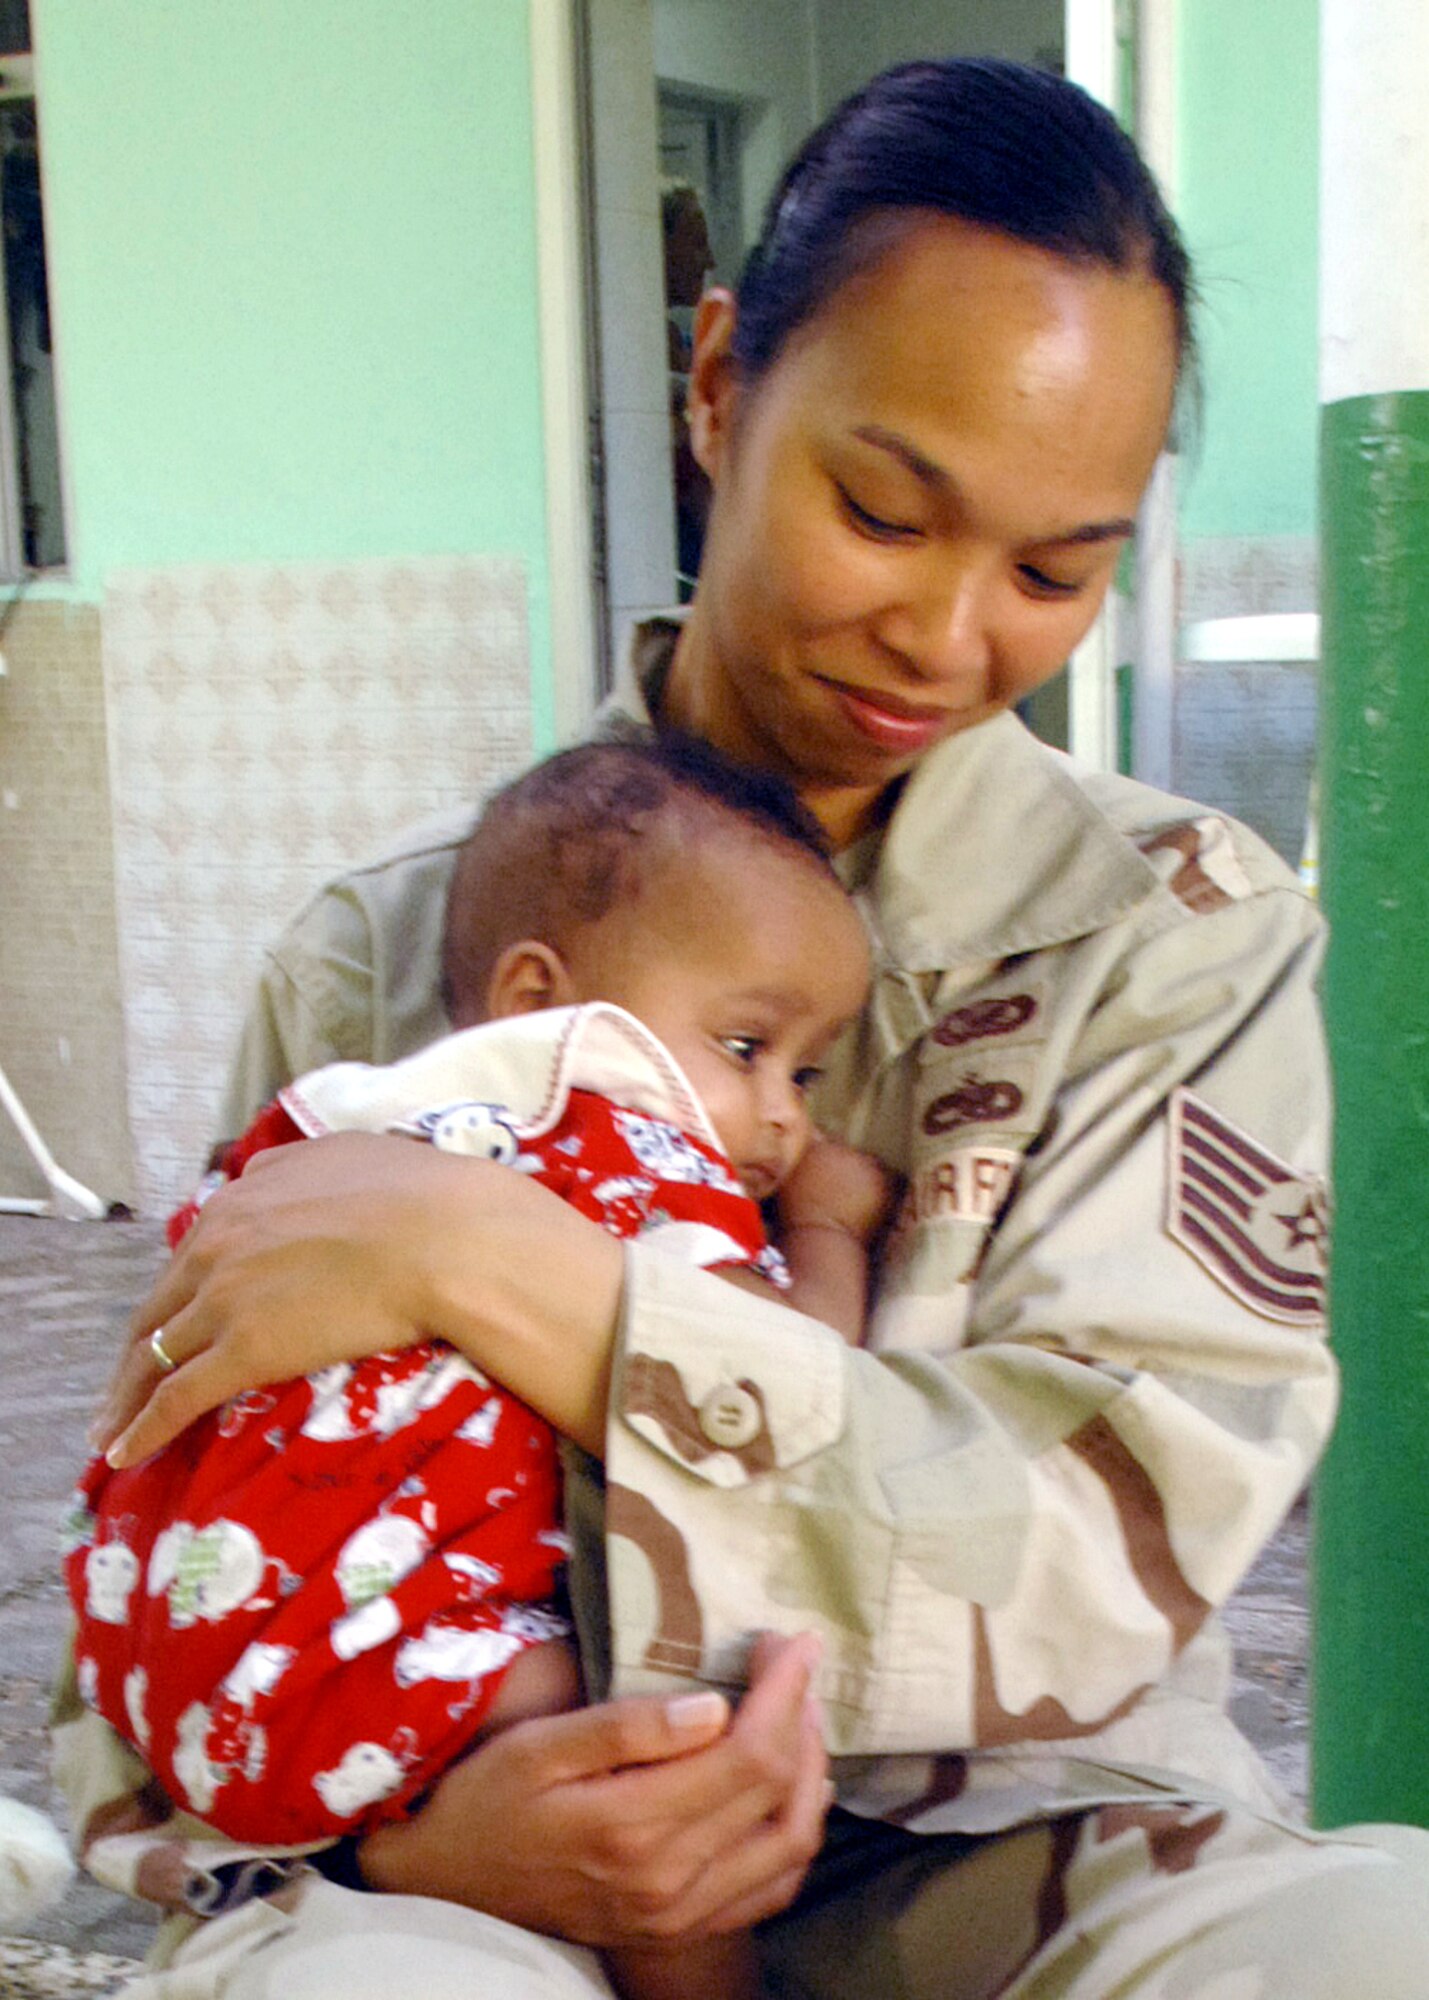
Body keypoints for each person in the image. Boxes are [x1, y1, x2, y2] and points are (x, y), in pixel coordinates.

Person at [70, 55, 1429, 2000]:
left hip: (1031, 1836)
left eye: (1058, 569)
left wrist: (513, 1273)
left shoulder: (1171, 938)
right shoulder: (379, 964)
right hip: (483, 1847)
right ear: (718, 390)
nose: (952, 638)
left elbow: (1102, 1540)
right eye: (884, 511)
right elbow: (162, 1566)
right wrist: (403, 1834)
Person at [65, 734, 882, 2000]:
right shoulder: (618, 1141)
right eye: (745, 1045)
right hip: (423, 1660)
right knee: (671, 1774)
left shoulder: (345, 1125)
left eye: (808, 1070)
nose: (785, 1114)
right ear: (536, 998)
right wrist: (827, 1227)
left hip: (199, 1657)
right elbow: (788, 1385)